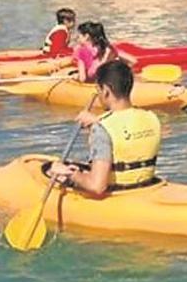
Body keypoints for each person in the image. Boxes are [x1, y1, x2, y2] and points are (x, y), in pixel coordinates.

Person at [50, 60, 161, 197]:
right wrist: (96, 123)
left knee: (54, 171)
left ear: (106, 91)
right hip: (146, 188)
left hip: (120, 194)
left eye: (98, 91)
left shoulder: (102, 128)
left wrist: (70, 174)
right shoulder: (152, 118)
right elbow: (124, 134)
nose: (98, 97)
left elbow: (97, 186)